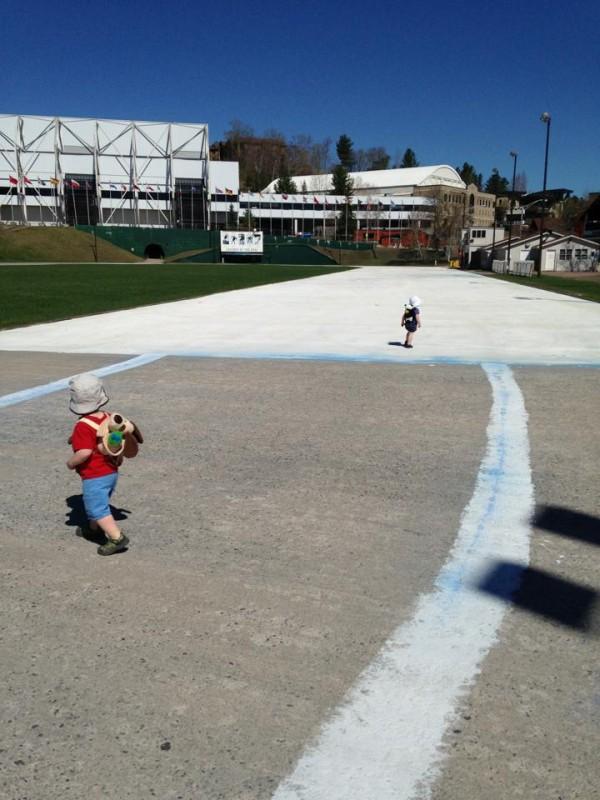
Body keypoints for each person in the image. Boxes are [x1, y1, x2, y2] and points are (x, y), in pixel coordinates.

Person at [66, 373, 129, 556]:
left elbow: (84, 452)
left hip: (94, 475)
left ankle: (117, 538)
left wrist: (71, 463)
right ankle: (94, 528)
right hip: (111, 470)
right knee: (98, 503)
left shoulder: (82, 426)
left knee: (96, 506)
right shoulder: (108, 418)